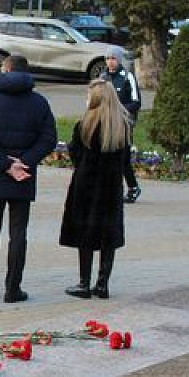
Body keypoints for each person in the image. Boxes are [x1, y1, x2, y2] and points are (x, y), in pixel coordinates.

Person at [0, 54, 58, 303]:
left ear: (6, 69)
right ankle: (13, 289)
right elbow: (48, 139)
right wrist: (25, 162)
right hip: (24, 175)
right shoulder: (39, 103)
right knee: (18, 233)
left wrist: (5, 164)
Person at [59, 80, 129, 299]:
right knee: (108, 234)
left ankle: (84, 282)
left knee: (85, 233)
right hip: (111, 187)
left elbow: (75, 155)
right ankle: (103, 283)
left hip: (86, 185)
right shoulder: (123, 126)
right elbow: (125, 159)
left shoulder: (85, 125)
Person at [100, 46, 143, 203]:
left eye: (113, 59)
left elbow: (136, 102)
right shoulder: (103, 77)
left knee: (122, 156)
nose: (110, 62)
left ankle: (131, 187)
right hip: (107, 122)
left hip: (124, 123)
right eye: (108, 59)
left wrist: (120, 111)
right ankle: (114, 188)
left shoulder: (127, 77)